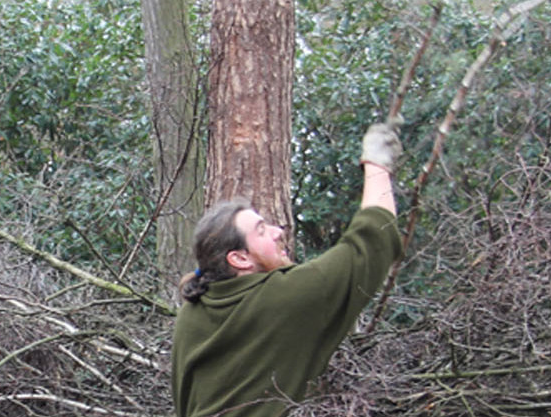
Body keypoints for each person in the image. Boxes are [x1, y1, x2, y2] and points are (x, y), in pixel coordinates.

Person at [171, 123, 405, 417]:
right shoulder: (282, 297)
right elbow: (372, 240)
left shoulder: (190, 314)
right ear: (239, 259)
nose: (278, 231)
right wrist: (377, 165)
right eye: (261, 230)